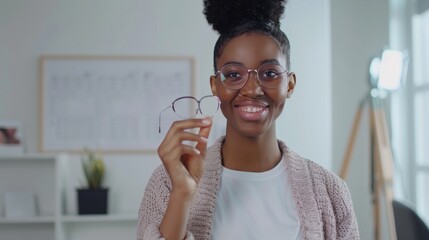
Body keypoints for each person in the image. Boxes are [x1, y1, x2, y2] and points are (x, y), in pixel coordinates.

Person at [137, 0, 360, 239]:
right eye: (233, 74)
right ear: (215, 86)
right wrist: (181, 195)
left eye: (270, 73)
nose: (252, 89)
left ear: (290, 84)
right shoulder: (167, 183)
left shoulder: (330, 191)